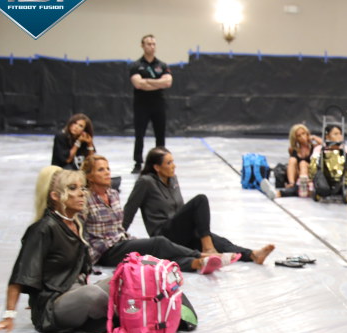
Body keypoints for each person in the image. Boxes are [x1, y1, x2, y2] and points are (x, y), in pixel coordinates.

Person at [0, 169, 111, 333]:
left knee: (118, 281)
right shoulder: (43, 229)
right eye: (72, 188)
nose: (82, 193)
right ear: (55, 196)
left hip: (75, 292)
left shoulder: (77, 224)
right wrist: (9, 316)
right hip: (51, 307)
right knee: (93, 294)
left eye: (82, 188)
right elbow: (20, 275)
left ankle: (114, 319)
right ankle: (119, 319)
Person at [123, 147, 275, 264]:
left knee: (215, 239)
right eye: (169, 163)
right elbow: (129, 210)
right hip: (163, 233)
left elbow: (179, 210)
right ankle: (208, 247)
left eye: (173, 161)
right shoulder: (145, 182)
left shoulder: (173, 179)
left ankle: (252, 254)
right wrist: (119, 239)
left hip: (180, 231)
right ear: (157, 167)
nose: (174, 166)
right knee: (200, 200)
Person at [82, 154, 226, 274]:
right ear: (89, 176)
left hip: (121, 241)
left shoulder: (113, 194)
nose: (107, 172)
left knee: (151, 260)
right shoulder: (85, 199)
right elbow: (79, 231)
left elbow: (118, 227)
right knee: (158, 243)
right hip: (104, 250)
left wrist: (131, 240)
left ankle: (195, 263)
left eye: (108, 168)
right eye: (101, 170)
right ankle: (200, 255)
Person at [129, 34, 172, 174]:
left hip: (158, 104)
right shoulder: (136, 65)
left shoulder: (162, 65)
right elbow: (138, 84)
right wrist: (158, 83)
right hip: (141, 105)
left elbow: (168, 82)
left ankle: (161, 162)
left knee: (160, 134)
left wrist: (147, 81)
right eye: (148, 44)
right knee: (139, 135)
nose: (152, 47)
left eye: (154, 44)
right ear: (142, 46)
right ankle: (138, 163)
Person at [282, 123, 323, 196]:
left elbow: (326, 145)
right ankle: (292, 184)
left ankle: (304, 185)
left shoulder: (313, 146)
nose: (302, 137)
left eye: (303, 133)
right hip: (298, 173)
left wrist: (314, 138)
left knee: (303, 163)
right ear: (295, 138)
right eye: (299, 136)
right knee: (292, 160)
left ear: (307, 133)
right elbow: (292, 165)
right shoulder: (292, 149)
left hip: (309, 173)